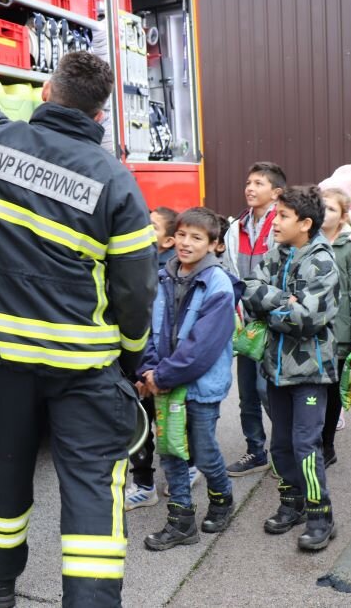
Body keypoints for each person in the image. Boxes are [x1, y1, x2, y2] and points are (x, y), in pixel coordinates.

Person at [0, 0, 158, 608]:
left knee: (4, 474)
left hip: (4, 365)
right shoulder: (117, 182)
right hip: (85, 372)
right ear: (100, 115)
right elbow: (136, 290)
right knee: (90, 490)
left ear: (47, 93)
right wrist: (133, 356)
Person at [241, 186, 340, 551]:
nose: (275, 221)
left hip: (310, 373)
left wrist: (274, 309)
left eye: (282, 216)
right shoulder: (274, 255)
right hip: (274, 369)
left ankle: (320, 515)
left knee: (305, 445)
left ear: (305, 223)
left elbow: (307, 319)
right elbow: (249, 290)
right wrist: (283, 301)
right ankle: (291, 502)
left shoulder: (322, 262)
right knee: (280, 445)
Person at [137, 208, 242, 550]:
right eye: (181, 234)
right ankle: (181, 521)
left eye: (196, 237)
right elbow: (152, 332)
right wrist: (148, 371)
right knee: (170, 453)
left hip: (199, 387)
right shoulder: (164, 275)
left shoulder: (218, 285)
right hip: (165, 384)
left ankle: (223, 497)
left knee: (203, 451)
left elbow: (202, 348)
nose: (185, 243)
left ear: (214, 245)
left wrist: (162, 375)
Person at [128, 206, 201, 510]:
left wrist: (157, 371)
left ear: (168, 241)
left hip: (164, 364)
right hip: (136, 360)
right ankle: (144, 484)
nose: (144, 231)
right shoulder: (130, 264)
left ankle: (187, 468)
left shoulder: (172, 274)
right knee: (139, 422)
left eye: (152, 228)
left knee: (176, 423)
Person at [220, 162, 286, 477]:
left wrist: (268, 309)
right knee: (247, 392)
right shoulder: (236, 227)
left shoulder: (281, 225)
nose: (250, 188)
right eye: (248, 182)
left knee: (266, 389)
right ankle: (255, 451)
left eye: (258, 183)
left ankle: (286, 448)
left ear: (276, 192)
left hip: (273, 324)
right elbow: (229, 273)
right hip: (245, 325)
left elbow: (282, 278)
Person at [318, 188, 351, 467]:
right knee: (311, 391)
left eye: (330, 209)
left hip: (340, 334)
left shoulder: (350, 245)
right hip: (311, 332)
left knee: (332, 392)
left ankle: (327, 445)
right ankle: (310, 443)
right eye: (320, 206)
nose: (323, 212)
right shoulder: (305, 240)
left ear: (342, 217)